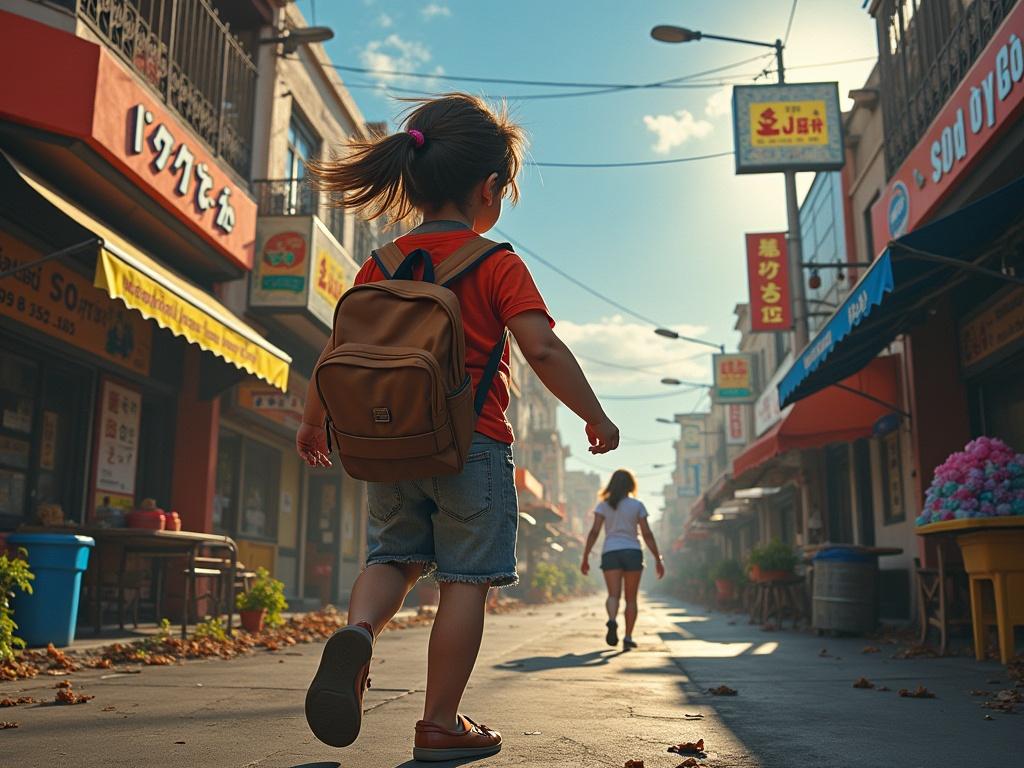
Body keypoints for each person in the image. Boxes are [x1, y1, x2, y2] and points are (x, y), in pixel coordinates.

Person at [294, 93, 619, 763]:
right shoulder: (494, 263)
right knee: (463, 583)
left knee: (393, 559)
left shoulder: (378, 266)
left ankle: (358, 632)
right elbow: (544, 350)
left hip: (389, 449)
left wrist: (313, 423)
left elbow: (336, 352)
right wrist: (595, 414)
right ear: (490, 189)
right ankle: (439, 721)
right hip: (472, 448)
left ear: (411, 182)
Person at [581, 469, 664, 649]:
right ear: (631, 485)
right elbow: (647, 534)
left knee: (613, 595)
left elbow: (594, 531)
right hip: (633, 551)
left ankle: (612, 620)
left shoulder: (603, 505)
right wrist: (658, 558)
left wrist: (586, 556)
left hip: (611, 551)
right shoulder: (637, 505)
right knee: (631, 599)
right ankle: (627, 637)